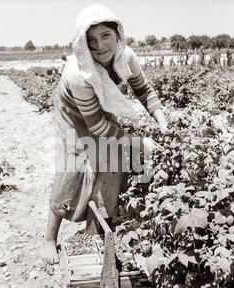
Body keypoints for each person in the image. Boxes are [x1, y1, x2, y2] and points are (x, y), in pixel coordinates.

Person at [42, 4, 168, 264]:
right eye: (91, 40)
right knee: (72, 168)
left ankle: (94, 231)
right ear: (83, 43)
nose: (99, 46)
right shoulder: (78, 73)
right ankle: (48, 239)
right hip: (72, 113)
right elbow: (97, 127)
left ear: (118, 34)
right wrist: (140, 142)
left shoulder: (126, 57)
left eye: (105, 35)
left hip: (99, 110)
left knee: (112, 163)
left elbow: (144, 91)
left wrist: (163, 123)